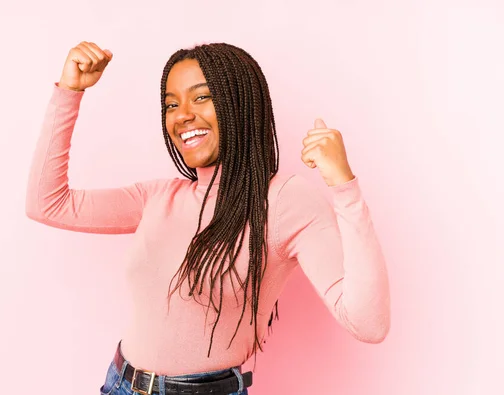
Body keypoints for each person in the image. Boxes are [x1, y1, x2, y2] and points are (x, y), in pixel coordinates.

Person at [25, 41, 390, 395]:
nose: (182, 115)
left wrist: (344, 186)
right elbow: (47, 203)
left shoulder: (284, 202)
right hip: (121, 384)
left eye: (201, 97)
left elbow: (368, 323)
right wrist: (69, 91)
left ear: (240, 104)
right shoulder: (158, 197)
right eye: (171, 104)